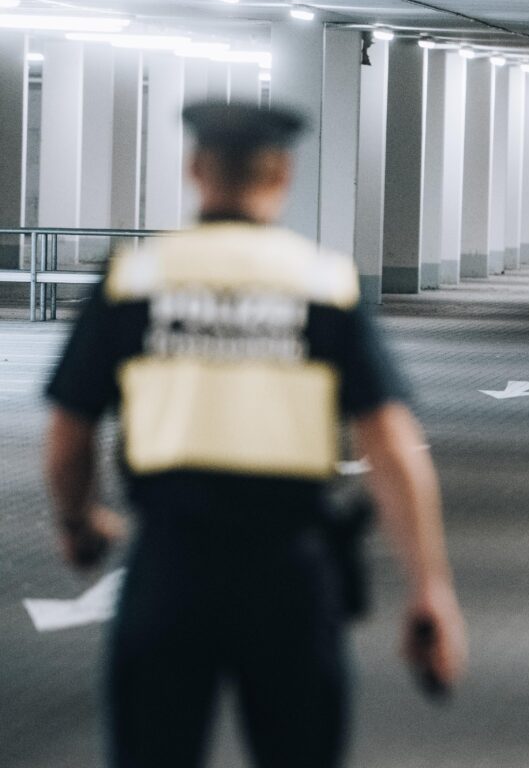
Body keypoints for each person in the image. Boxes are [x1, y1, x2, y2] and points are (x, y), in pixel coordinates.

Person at [43, 101, 467, 768]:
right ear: (282, 176)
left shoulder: (135, 277)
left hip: (169, 564)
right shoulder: (322, 284)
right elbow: (389, 443)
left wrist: (77, 521)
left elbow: (70, 432)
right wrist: (429, 588)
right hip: (288, 571)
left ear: (194, 170)